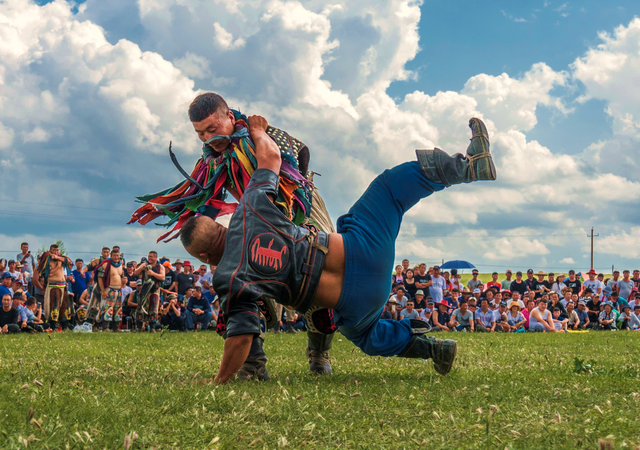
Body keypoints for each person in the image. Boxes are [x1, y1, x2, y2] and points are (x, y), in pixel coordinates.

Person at [178, 114, 496, 382]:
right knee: (388, 190)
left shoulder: (229, 278)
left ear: (205, 258)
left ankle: (432, 348)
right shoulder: (251, 206)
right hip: (365, 253)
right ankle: (467, 168)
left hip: (354, 305)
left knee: (366, 335)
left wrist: (219, 379)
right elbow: (272, 158)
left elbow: (241, 335)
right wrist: (259, 131)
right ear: (221, 224)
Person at [34, 244, 73, 330]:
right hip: (53, 285)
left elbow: (69, 262)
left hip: (63, 285)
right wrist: (58, 266)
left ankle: (65, 325)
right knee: (54, 305)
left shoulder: (61, 259)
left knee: (64, 306)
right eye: (54, 250)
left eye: (57, 250)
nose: (56, 252)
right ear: (50, 251)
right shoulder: (47, 260)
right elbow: (48, 273)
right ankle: (54, 326)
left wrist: (59, 259)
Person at [133, 251, 166, 331]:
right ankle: (139, 328)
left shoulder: (160, 267)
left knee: (153, 309)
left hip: (154, 290)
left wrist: (153, 273)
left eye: (151, 257)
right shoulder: (144, 264)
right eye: (149, 256)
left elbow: (162, 277)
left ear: (155, 257)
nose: (149, 258)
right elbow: (135, 273)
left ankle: (152, 328)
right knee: (140, 308)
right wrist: (141, 268)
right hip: (144, 290)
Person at [93, 249, 125, 332]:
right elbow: (99, 277)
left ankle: (116, 328)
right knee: (107, 308)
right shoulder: (106, 264)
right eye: (114, 255)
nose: (116, 257)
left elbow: (122, 276)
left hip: (118, 290)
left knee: (117, 309)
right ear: (111, 256)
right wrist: (103, 291)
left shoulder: (120, 264)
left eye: (117, 255)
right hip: (109, 289)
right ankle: (105, 327)